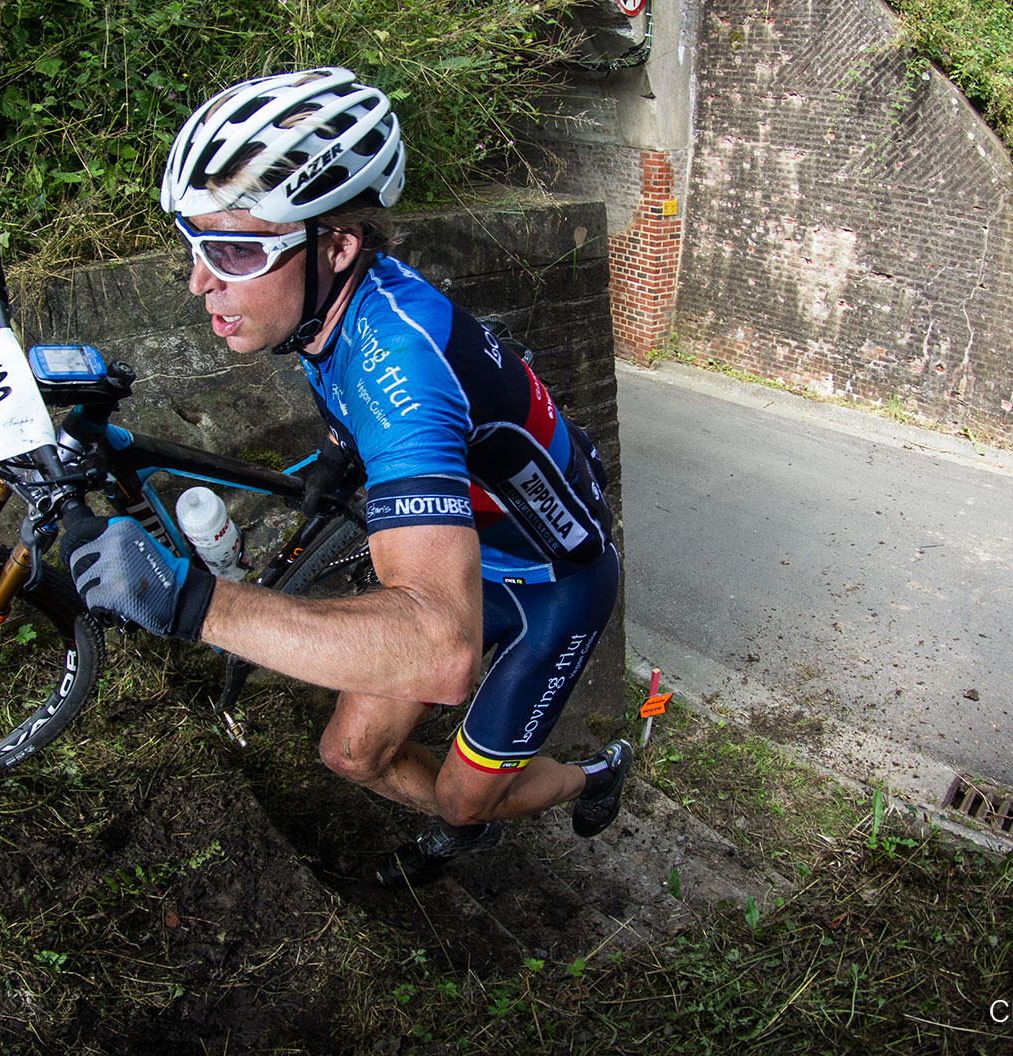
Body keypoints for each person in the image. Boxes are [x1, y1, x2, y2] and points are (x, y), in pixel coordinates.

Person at [60, 67, 632, 885]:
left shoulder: (399, 363)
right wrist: (337, 454)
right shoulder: (331, 307)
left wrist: (196, 603)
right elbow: (355, 397)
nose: (199, 281)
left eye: (232, 249)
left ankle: (586, 777)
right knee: (349, 753)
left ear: (336, 244)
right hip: (484, 547)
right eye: (193, 243)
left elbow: (440, 651)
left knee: (465, 799)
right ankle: (460, 806)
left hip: (555, 583)